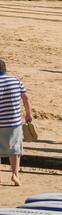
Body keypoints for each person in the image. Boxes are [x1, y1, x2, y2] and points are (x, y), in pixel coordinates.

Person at [0, 58, 33, 186]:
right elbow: (26, 98)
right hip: (13, 122)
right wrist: (29, 114)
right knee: (15, 149)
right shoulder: (15, 81)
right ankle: (15, 174)